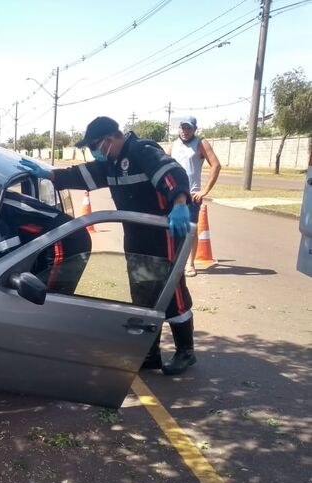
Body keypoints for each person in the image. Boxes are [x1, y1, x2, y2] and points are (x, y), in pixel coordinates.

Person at [19, 116, 196, 375]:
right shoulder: (111, 164)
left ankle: (185, 351)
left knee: (171, 290)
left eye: (94, 146)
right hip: (135, 234)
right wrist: (50, 174)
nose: (93, 152)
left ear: (109, 139)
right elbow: (82, 175)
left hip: (164, 233)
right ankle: (150, 352)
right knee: (143, 292)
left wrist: (180, 205)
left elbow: (172, 173)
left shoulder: (141, 150)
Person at [170, 115, 221, 276]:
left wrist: (204, 190)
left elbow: (216, 165)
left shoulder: (200, 143)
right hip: (174, 195)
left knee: (190, 230)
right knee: (174, 229)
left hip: (192, 196)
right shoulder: (174, 145)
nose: (185, 131)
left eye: (188, 128)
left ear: (194, 129)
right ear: (179, 129)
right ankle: (175, 261)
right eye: (183, 127)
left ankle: (190, 264)